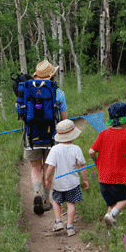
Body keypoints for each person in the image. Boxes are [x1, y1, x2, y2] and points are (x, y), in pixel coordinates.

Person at [24, 60, 68, 215]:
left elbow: (22, 114)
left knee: (35, 167)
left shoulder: (27, 89)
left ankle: (36, 193)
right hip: (51, 138)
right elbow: (64, 120)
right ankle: (45, 199)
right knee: (48, 168)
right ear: (52, 75)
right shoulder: (58, 93)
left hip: (31, 137)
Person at [44, 119, 89, 237]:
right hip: (72, 183)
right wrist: (85, 180)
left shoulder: (55, 149)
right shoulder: (76, 149)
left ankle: (58, 221)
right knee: (71, 203)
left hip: (58, 183)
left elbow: (50, 167)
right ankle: (70, 226)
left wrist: (47, 179)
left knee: (56, 201)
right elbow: (82, 166)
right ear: (72, 136)